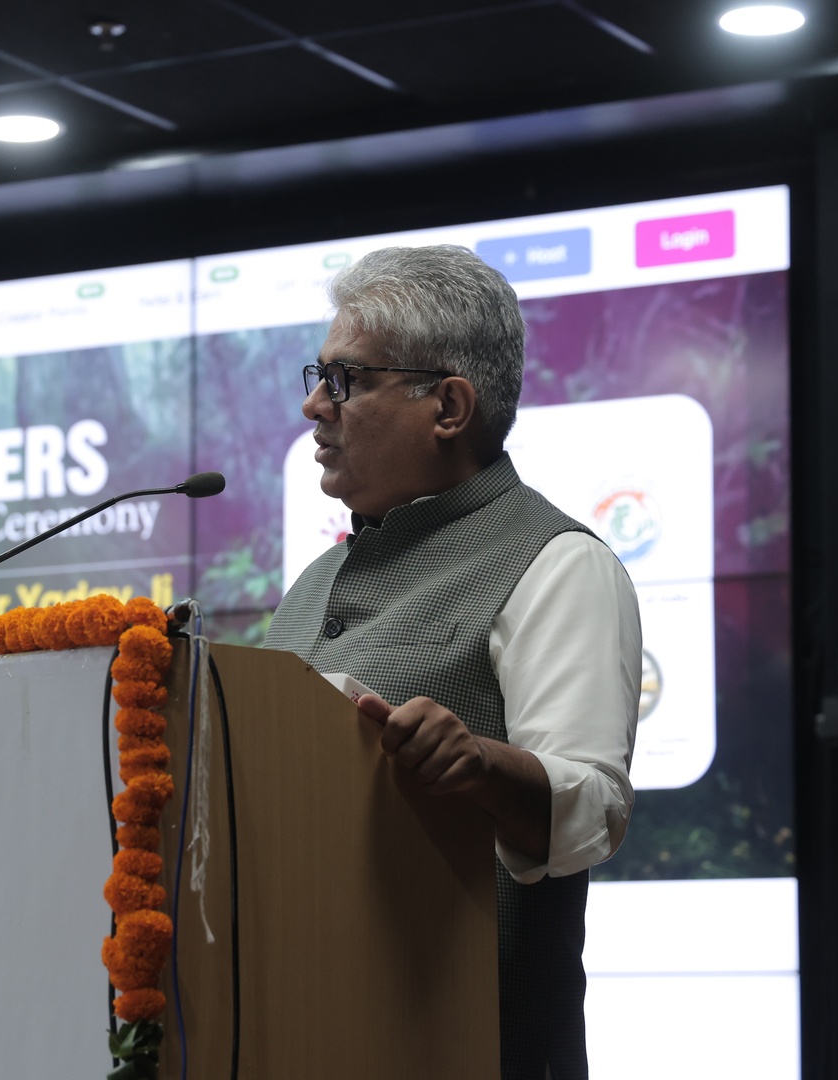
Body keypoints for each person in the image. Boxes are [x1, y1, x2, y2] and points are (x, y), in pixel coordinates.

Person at [264, 244, 640, 1080]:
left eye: (344, 380)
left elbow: (593, 808)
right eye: (318, 377)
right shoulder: (313, 584)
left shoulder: (556, 564)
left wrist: (479, 764)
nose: (313, 405)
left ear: (448, 406)